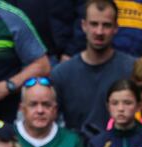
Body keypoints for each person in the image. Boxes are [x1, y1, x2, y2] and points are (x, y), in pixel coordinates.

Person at [51, 0, 137, 137]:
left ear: (116, 28)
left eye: (106, 25)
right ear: (84, 25)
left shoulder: (132, 69)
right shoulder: (62, 74)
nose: (99, 31)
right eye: (94, 24)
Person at [16, 79, 86, 147]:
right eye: (33, 104)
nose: (40, 111)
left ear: (55, 109)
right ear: (22, 108)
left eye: (46, 105)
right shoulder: (7, 137)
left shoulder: (72, 141)